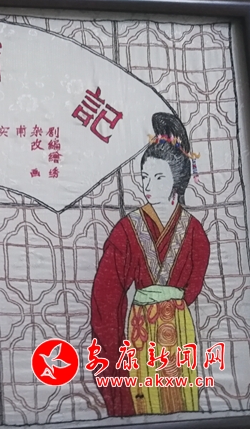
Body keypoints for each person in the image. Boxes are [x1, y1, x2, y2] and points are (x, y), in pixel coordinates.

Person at [90, 112, 210, 416]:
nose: (148, 186)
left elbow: (194, 283)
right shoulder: (127, 229)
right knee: (145, 397)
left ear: (176, 181)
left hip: (179, 328)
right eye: (144, 177)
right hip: (141, 330)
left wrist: (172, 302)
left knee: (180, 398)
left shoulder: (193, 231)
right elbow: (106, 293)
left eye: (158, 178)